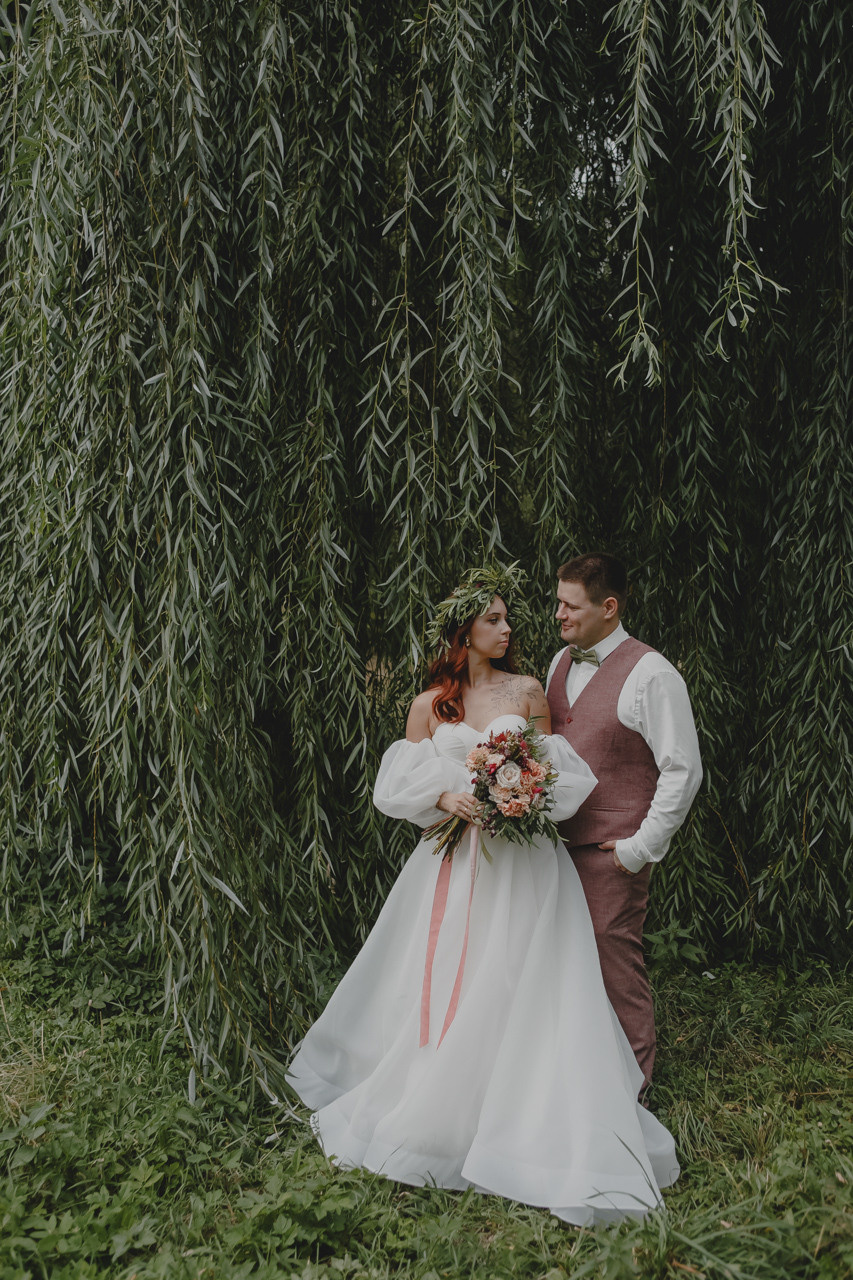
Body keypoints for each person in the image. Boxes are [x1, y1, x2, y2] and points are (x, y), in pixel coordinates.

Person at [287, 564, 680, 1226]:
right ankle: (441, 1104)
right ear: (461, 631)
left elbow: (555, 771)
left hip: (522, 863)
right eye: (492, 618)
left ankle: (523, 1110)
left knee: (521, 977)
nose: (507, 628)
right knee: (446, 974)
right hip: (453, 864)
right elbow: (398, 786)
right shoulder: (428, 705)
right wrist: (445, 795)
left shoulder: (527, 692)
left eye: (507, 618)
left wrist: (516, 795)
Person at [546, 553, 703, 1095]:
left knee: (614, 963)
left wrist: (640, 847)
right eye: (558, 602)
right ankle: (575, 1076)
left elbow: (683, 769)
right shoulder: (558, 664)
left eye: (571, 605)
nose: (558, 615)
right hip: (551, 850)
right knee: (560, 961)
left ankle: (633, 1086)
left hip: (613, 852)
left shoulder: (652, 674)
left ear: (608, 608)